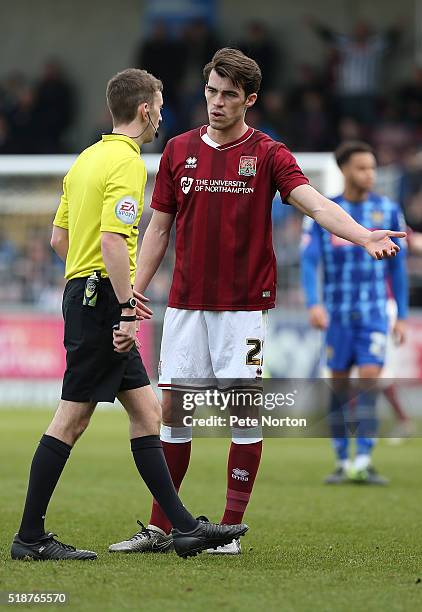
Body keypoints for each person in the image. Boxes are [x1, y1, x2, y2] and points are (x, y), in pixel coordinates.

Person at [110, 49, 404, 555]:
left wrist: (360, 235)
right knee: (175, 418)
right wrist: (135, 289)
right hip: (183, 307)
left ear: (250, 99)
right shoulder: (179, 149)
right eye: (211, 91)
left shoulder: (269, 153)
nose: (217, 103)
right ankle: (161, 529)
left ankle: (228, 532)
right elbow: (158, 228)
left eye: (228, 95)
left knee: (244, 417)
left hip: (243, 308)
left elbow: (314, 203)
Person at [10, 68, 248, 561]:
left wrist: (87, 279)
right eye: (159, 105)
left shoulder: (86, 160)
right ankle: (29, 537)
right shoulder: (126, 162)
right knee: (71, 419)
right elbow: (113, 239)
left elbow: (60, 239)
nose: (162, 113)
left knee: (147, 412)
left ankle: (182, 529)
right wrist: (122, 306)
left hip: (87, 293)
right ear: (145, 110)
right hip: (104, 302)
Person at [301, 141, 408, 484]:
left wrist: (401, 315)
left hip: (374, 314)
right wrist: (314, 303)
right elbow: (309, 261)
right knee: (338, 387)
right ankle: (340, 459)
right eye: (363, 168)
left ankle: (362, 458)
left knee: (369, 382)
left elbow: (399, 269)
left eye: (373, 168)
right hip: (336, 316)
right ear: (345, 170)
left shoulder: (388, 210)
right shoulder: (325, 211)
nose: (370, 174)